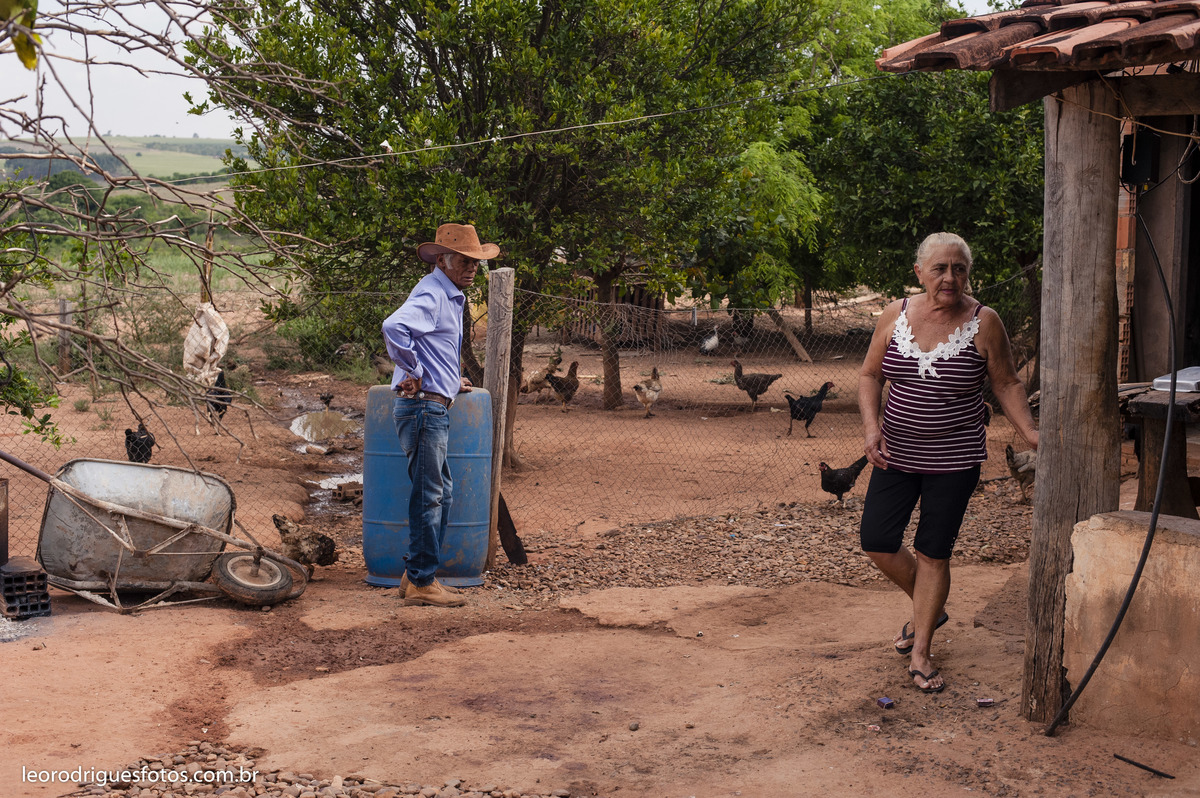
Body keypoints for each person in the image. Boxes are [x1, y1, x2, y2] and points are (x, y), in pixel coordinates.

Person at [858, 232, 1038, 693]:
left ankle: (921, 651)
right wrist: (871, 428)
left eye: (959, 268)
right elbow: (870, 375)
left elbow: (1006, 383)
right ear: (919, 273)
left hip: (954, 460)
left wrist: (1032, 434)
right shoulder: (894, 314)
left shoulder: (984, 322)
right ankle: (929, 607)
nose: (950, 277)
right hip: (895, 452)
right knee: (877, 541)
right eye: (939, 268)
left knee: (933, 551)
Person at [381, 223, 499, 607]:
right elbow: (394, 327)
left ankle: (415, 573)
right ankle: (420, 581)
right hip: (423, 408)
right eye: (465, 261)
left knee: (439, 493)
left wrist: (449, 380)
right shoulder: (433, 294)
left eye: (475, 263)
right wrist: (414, 371)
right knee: (431, 495)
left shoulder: (445, 295)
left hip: (433, 403)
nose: (471, 269)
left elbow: (431, 343)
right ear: (443, 260)